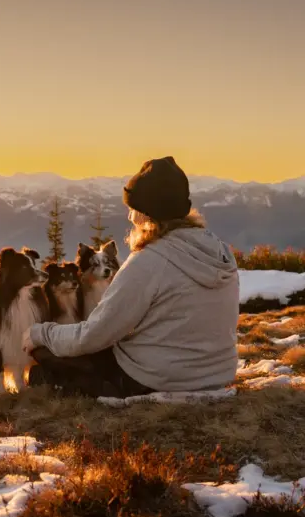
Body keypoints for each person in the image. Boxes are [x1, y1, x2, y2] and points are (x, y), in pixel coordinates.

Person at [24, 156, 239, 398]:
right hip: (217, 374)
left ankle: (60, 382)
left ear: (147, 216)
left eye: (133, 211)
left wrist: (40, 333)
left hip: (157, 377)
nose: (130, 219)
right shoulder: (220, 252)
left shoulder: (149, 262)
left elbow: (93, 336)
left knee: (45, 351)